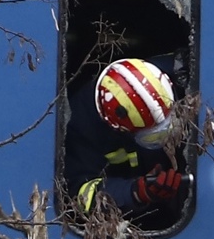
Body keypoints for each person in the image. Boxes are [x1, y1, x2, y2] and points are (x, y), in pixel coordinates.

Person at [64, 56, 191, 224]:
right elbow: (80, 195)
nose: (168, 139)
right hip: (141, 214)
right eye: (153, 136)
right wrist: (136, 192)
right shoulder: (81, 123)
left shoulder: (180, 71)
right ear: (118, 128)